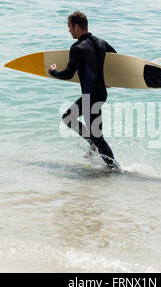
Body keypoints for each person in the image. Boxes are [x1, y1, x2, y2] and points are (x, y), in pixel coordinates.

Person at [48, 11, 120, 170]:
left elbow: (67, 73)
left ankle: (115, 169)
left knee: (71, 120)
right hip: (101, 93)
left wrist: (53, 71)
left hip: (90, 95)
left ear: (77, 26)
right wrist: (107, 79)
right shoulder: (102, 42)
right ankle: (102, 155)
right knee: (87, 129)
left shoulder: (77, 47)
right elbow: (115, 59)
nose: (69, 31)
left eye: (70, 28)